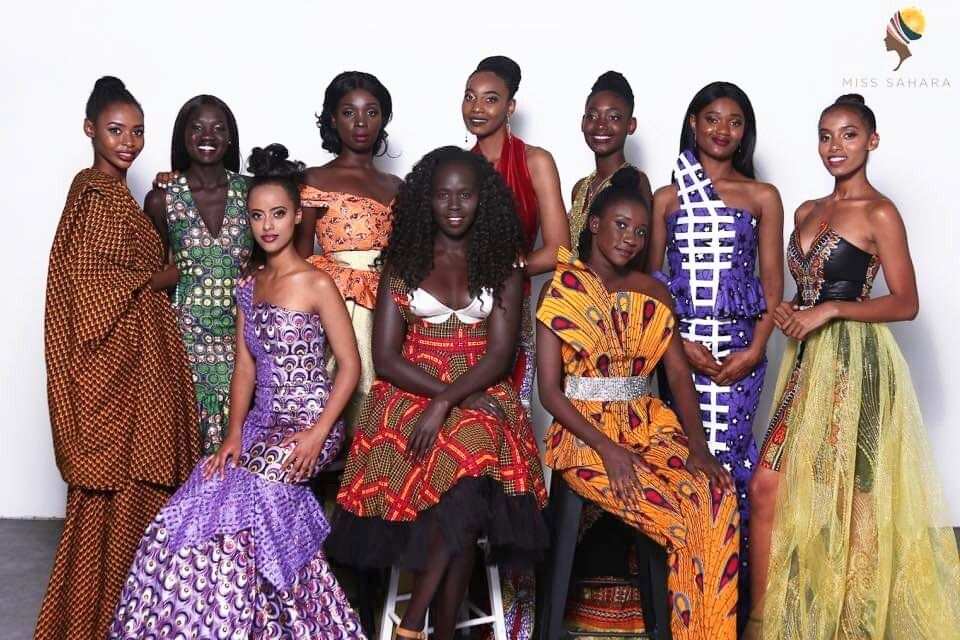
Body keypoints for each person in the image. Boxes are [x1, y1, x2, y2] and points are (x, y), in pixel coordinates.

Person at [110, 144, 365, 639]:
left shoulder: (317, 283)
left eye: (278, 214)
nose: (267, 225)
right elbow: (245, 367)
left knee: (254, 499)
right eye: (256, 215)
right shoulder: (249, 284)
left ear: (295, 218)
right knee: (196, 500)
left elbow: (350, 368)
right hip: (258, 424)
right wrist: (231, 437)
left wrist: (317, 435)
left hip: (311, 421)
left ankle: (305, 624)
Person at [747, 95, 960, 639]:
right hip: (805, 361)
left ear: (872, 140)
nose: (834, 147)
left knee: (853, 495)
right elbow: (806, 289)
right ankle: (761, 620)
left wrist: (834, 308)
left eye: (847, 135)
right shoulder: (805, 211)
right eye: (825, 135)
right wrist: (791, 311)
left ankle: (854, 625)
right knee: (768, 486)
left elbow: (905, 302)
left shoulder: (880, 213)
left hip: (856, 362)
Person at [328, 146, 548, 640]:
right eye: (443, 194)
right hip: (409, 389)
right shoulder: (403, 262)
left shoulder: (504, 266)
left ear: (482, 200)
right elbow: (386, 358)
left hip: (480, 387)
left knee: (473, 455)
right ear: (425, 200)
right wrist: (441, 400)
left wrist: (450, 401)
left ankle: (415, 624)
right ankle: (441, 630)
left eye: (465, 194)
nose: (453, 205)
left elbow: (499, 355)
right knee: (465, 479)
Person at [537, 166, 740, 640]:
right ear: (594, 225)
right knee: (677, 513)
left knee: (714, 497)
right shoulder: (560, 290)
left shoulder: (655, 292)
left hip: (650, 425)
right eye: (621, 225)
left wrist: (698, 447)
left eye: (641, 231)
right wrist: (609, 450)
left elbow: (676, 375)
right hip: (584, 433)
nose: (630, 238)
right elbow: (550, 391)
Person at [38, 76, 199, 640]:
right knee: (112, 502)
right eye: (115, 131)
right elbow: (89, 288)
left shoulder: (122, 198)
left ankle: (128, 620)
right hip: (118, 378)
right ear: (90, 130)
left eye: (137, 132)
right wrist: (164, 275)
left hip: (144, 372)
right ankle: (96, 623)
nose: (128, 142)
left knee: (139, 503)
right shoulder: (93, 196)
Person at [646, 81, 783, 616]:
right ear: (693, 124)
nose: (722, 130)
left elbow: (773, 287)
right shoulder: (667, 198)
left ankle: (738, 598)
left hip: (742, 353)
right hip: (681, 353)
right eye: (712, 119)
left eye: (734, 121)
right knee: (686, 462)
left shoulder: (762, 196)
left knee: (733, 460)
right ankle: (688, 598)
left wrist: (755, 350)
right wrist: (678, 346)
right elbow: (653, 289)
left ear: (745, 132)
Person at [296, 71, 402, 437]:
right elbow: (298, 256)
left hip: (384, 298)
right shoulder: (313, 178)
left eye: (372, 112)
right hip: (333, 298)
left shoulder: (396, 186)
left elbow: (403, 255)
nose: (360, 122)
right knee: (332, 390)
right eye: (349, 113)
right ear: (331, 119)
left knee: (379, 394)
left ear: (384, 119)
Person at [146, 94, 253, 454]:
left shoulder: (250, 191)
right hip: (184, 337)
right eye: (197, 128)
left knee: (239, 439)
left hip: (241, 335)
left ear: (230, 138)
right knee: (187, 440)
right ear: (183, 136)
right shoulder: (162, 198)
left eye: (218, 128)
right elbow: (156, 269)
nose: (208, 135)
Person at [463, 54, 570, 406]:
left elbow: (559, 250)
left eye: (490, 99)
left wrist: (509, 268)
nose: (476, 107)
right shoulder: (457, 168)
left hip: (512, 308)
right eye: (470, 96)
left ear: (511, 107)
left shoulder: (535, 161)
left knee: (509, 413)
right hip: (460, 311)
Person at [568, 71, 652, 257]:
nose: (600, 125)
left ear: (631, 125)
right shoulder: (580, 188)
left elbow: (641, 256)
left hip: (617, 287)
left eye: (613, 117)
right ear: (582, 123)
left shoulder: (636, 181)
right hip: (572, 284)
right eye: (592, 116)